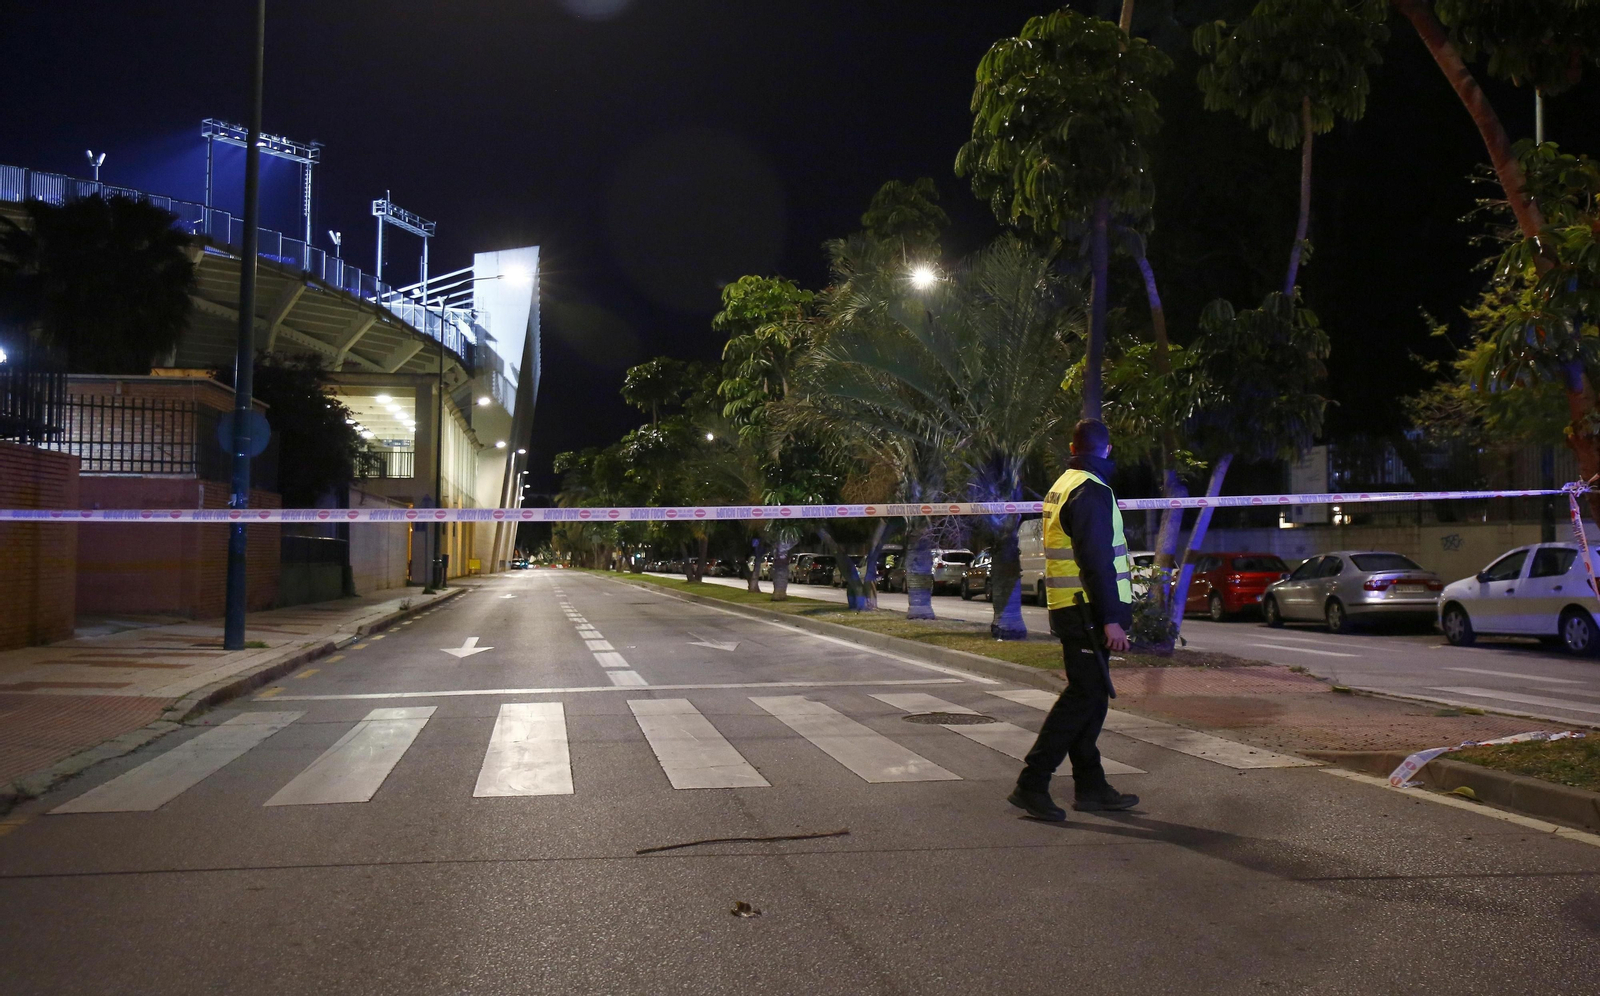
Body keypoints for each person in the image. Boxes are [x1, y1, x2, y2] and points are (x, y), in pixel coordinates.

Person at [1008, 419, 1140, 821]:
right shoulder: (1091, 490)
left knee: (1093, 697)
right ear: (1108, 449)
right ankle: (1033, 782)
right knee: (1083, 697)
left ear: (1072, 446)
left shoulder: (1063, 484)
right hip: (1085, 610)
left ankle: (1091, 786)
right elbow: (1096, 561)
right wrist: (1110, 619)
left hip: (1071, 607)